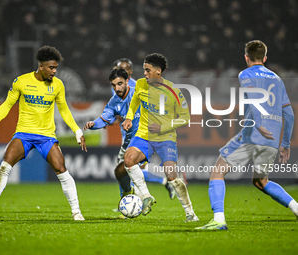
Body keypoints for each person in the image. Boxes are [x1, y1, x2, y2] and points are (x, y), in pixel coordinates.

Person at [196, 40, 298, 230]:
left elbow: (253, 99)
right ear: (265, 58)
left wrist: (258, 125)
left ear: (246, 57)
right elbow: (289, 114)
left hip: (252, 134)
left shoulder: (245, 74)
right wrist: (285, 143)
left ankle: (218, 220)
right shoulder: (277, 78)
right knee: (261, 181)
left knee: (217, 171)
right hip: (273, 140)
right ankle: (296, 208)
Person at [0, 45, 87, 220]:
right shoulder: (21, 81)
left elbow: (65, 110)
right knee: (5, 165)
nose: (54, 72)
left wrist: (76, 130)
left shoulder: (58, 85)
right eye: (51, 68)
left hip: (46, 136)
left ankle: (76, 212)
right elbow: (7, 103)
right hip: (24, 134)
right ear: (41, 66)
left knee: (62, 169)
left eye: (56, 68)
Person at [122, 53, 198, 221]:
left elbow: (185, 117)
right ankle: (146, 196)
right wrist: (129, 117)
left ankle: (190, 213)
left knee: (171, 176)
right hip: (143, 135)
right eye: (144, 70)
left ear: (158, 71)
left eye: (148, 70)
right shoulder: (141, 84)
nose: (144, 74)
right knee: (128, 159)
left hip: (165, 137)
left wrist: (162, 127)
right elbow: (134, 100)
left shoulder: (173, 91)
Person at [83, 68, 175, 202]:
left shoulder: (139, 94)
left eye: (120, 83)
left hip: (147, 139)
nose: (117, 88)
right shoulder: (114, 102)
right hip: (131, 142)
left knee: (130, 165)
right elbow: (104, 119)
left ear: (127, 81)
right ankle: (129, 198)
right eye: (113, 85)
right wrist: (93, 124)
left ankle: (145, 196)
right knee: (120, 172)